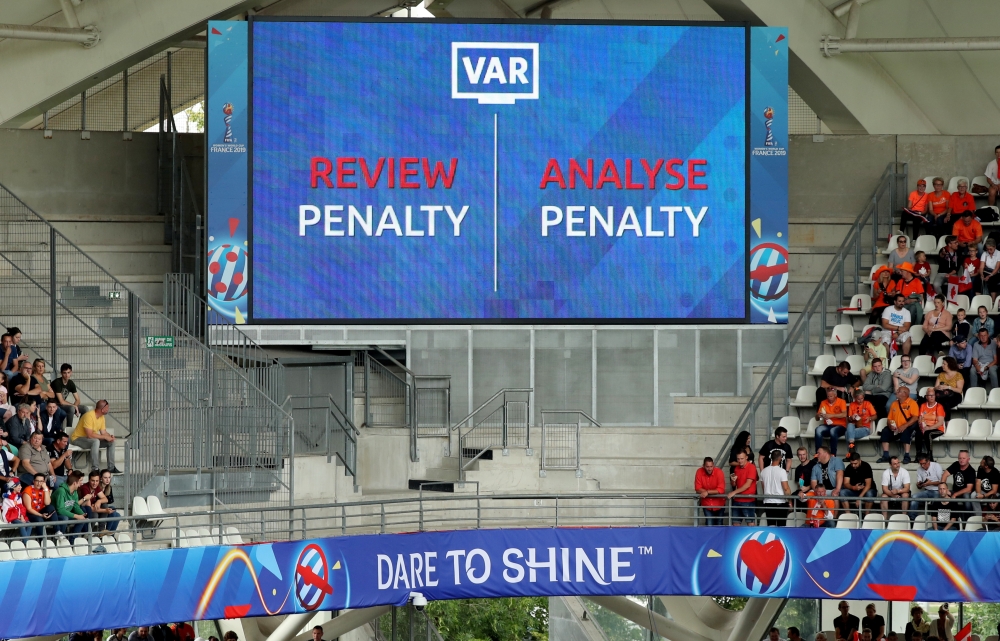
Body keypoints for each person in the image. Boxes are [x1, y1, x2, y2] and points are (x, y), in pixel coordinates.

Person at [71, 400, 119, 473]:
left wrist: (110, 437)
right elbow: (90, 435)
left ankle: (111, 468)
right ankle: (95, 469)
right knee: (96, 441)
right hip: (77, 439)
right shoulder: (89, 416)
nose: (108, 409)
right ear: (102, 409)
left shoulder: (101, 417)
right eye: (107, 408)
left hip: (90, 440)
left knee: (111, 443)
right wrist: (105, 437)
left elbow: (103, 432)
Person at [880, 385, 919, 463]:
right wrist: (890, 425)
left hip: (907, 427)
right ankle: (885, 455)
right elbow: (889, 418)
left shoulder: (912, 403)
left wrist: (905, 425)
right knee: (885, 431)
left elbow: (915, 418)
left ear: (904, 394)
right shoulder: (894, 403)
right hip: (895, 428)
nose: (896, 392)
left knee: (906, 432)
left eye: (898, 391)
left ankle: (907, 456)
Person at [52, 469, 88, 542]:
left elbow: (75, 506)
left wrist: (82, 514)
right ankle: (60, 540)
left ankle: (72, 540)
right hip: (56, 515)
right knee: (65, 518)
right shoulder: (61, 491)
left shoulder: (75, 492)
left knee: (82, 520)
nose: (81, 483)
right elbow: (60, 510)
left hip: (67, 514)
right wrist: (77, 516)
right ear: (75, 483)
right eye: (80, 481)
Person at [942, 450, 976, 519]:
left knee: (966, 497)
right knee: (942, 493)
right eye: (960, 458)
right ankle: (944, 520)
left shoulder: (971, 471)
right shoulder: (955, 464)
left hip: (965, 493)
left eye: (963, 458)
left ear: (968, 459)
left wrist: (955, 494)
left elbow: (969, 489)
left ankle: (968, 522)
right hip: (955, 491)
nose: (961, 460)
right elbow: (945, 474)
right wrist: (944, 488)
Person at [910, 454, 944, 521]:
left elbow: (942, 482)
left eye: (924, 463)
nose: (922, 466)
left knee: (936, 499)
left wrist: (931, 483)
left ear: (928, 461)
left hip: (937, 490)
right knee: (914, 497)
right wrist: (919, 485)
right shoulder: (919, 469)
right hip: (927, 490)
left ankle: (936, 519)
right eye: (920, 464)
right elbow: (919, 486)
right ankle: (912, 519)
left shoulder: (936, 466)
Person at [728, 451, 758, 525]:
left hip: (748, 500)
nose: (740, 461)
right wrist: (733, 480)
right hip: (737, 499)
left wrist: (734, 492)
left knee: (750, 524)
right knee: (735, 524)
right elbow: (734, 484)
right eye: (738, 459)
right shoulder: (736, 468)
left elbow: (747, 485)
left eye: (742, 458)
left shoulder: (752, 467)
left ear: (746, 457)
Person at [917, 387, 948, 459]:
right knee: (918, 434)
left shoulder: (939, 406)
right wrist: (921, 425)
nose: (931, 397)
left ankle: (929, 454)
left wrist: (929, 428)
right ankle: (918, 454)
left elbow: (940, 422)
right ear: (926, 397)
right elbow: (920, 417)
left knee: (928, 433)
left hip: (937, 428)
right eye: (929, 395)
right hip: (925, 427)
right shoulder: (923, 405)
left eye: (933, 395)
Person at [761, 449, 790, 526]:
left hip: (768, 502)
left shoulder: (763, 471)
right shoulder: (782, 471)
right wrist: (790, 501)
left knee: (771, 526)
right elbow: (786, 489)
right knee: (781, 527)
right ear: (780, 458)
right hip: (780, 503)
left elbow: (763, 488)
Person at [816, 387, 848, 456]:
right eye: (828, 396)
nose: (829, 398)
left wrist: (831, 415)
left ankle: (833, 454)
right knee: (818, 430)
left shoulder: (841, 401)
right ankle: (818, 454)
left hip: (840, 426)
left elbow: (844, 414)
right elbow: (817, 418)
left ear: (835, 396)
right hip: (828, 425)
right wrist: (818, 415)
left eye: (831, 396)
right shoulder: (823, 402)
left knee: (833, 431)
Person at [22, 472, 55, 537]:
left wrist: (45, 489)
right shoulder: (28, 490)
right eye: (37, 481)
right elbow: (29, 509)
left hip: (41, 511)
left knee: (51, 508)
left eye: (41, 481)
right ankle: (42, 541)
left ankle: (57, 532)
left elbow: (47, 503)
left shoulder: (45, 489)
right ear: (33, 481)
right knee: (39, 520)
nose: (39, 483)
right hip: (30, 513)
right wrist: (41, 515)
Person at [695, 456, 726, 526]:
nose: (709, 469)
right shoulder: (699, 471)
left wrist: (707, 492)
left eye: (711, 466)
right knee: (709, 524)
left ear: (713, 465)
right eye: (707, 467)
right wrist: (711, 491)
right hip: (707, 504)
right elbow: (697, 488)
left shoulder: (719, 472)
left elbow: (721, 489)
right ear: (703, 466)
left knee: (719, 524)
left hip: (719, 504)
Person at [847, 387, 878, 453]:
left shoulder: (868, 404)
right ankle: (852, 448)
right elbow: (849, 419)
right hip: (855, 426)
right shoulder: (852, 405)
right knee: (850, 425)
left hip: (865, 428)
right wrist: (852, 417)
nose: (861, 400)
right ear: (855, 398)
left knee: (847, 433)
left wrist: (869, 418)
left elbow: (875, 416)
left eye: (862, 398)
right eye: (858, 399)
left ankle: (851, 452)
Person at [51, 363, 83, 428]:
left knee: (85, 409)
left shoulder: (70, 383)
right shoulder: (57, 382)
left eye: (68, 372)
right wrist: (74, 406)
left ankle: (80, 428)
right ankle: (69, 429)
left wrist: (75, 406)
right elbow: (61, 401)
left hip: (63, 405)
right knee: (71, 408)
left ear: (71, 372)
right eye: (64, 373)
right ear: (61, 373)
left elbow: (78, 400)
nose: (67, 375)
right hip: (55, 404)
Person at [983, 239, 1000, 304]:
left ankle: (993, 302)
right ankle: (979, 300)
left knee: (992, 279)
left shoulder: (999, 253)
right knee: (977, 280)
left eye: (991, 249)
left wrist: (990, 275)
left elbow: (997, 268)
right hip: (986, 272)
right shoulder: (985, 253)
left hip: (996, 273)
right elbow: (982, 266)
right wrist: (982, 275)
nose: (989, 251)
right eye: (988, 249)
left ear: (995, 247)